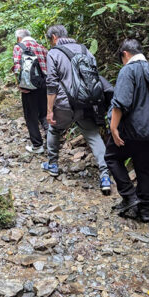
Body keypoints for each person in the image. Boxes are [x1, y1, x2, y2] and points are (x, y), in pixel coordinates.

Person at [42, 24, 112, 195]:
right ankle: (105, 177)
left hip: (64, 104)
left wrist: (50, 110)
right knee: (94, 136)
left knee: (54, 129)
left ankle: (52, 164)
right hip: (88, 103)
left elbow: (51, 83)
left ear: (53, 38)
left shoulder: (54, 53)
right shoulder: (84, 49)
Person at [105, 39, 149, 222]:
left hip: (132, 129)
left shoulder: (128, 70)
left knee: (112, 157)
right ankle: (145, 210)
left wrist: (113, 127)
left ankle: (129, 195)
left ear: (125, 54)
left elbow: (121, 102)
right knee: (145, 168)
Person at [12, 29, 49, 154]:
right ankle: (51, 143)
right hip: (44, 85)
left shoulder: (19, 47)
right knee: (44, 114)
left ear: (19, 38)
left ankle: (37, 146)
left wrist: (19, 85)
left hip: (28, 87)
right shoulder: (42, 47)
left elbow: (17, 67)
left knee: (31, 116)